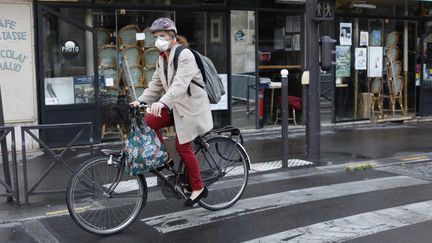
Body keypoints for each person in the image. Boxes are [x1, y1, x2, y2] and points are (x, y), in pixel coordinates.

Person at [130, 17, 212, 207]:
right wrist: (141, 100)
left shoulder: (185, 55)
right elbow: (156, 85)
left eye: (162, 36)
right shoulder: (162, 58)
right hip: (176, 106)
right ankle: (164, 158)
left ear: (172, 37)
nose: (158, 39)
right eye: (156, 36)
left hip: (191, 108)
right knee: (149, 121)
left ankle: (198, 188)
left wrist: (163, 103)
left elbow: (180, 84)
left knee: (182, 147)